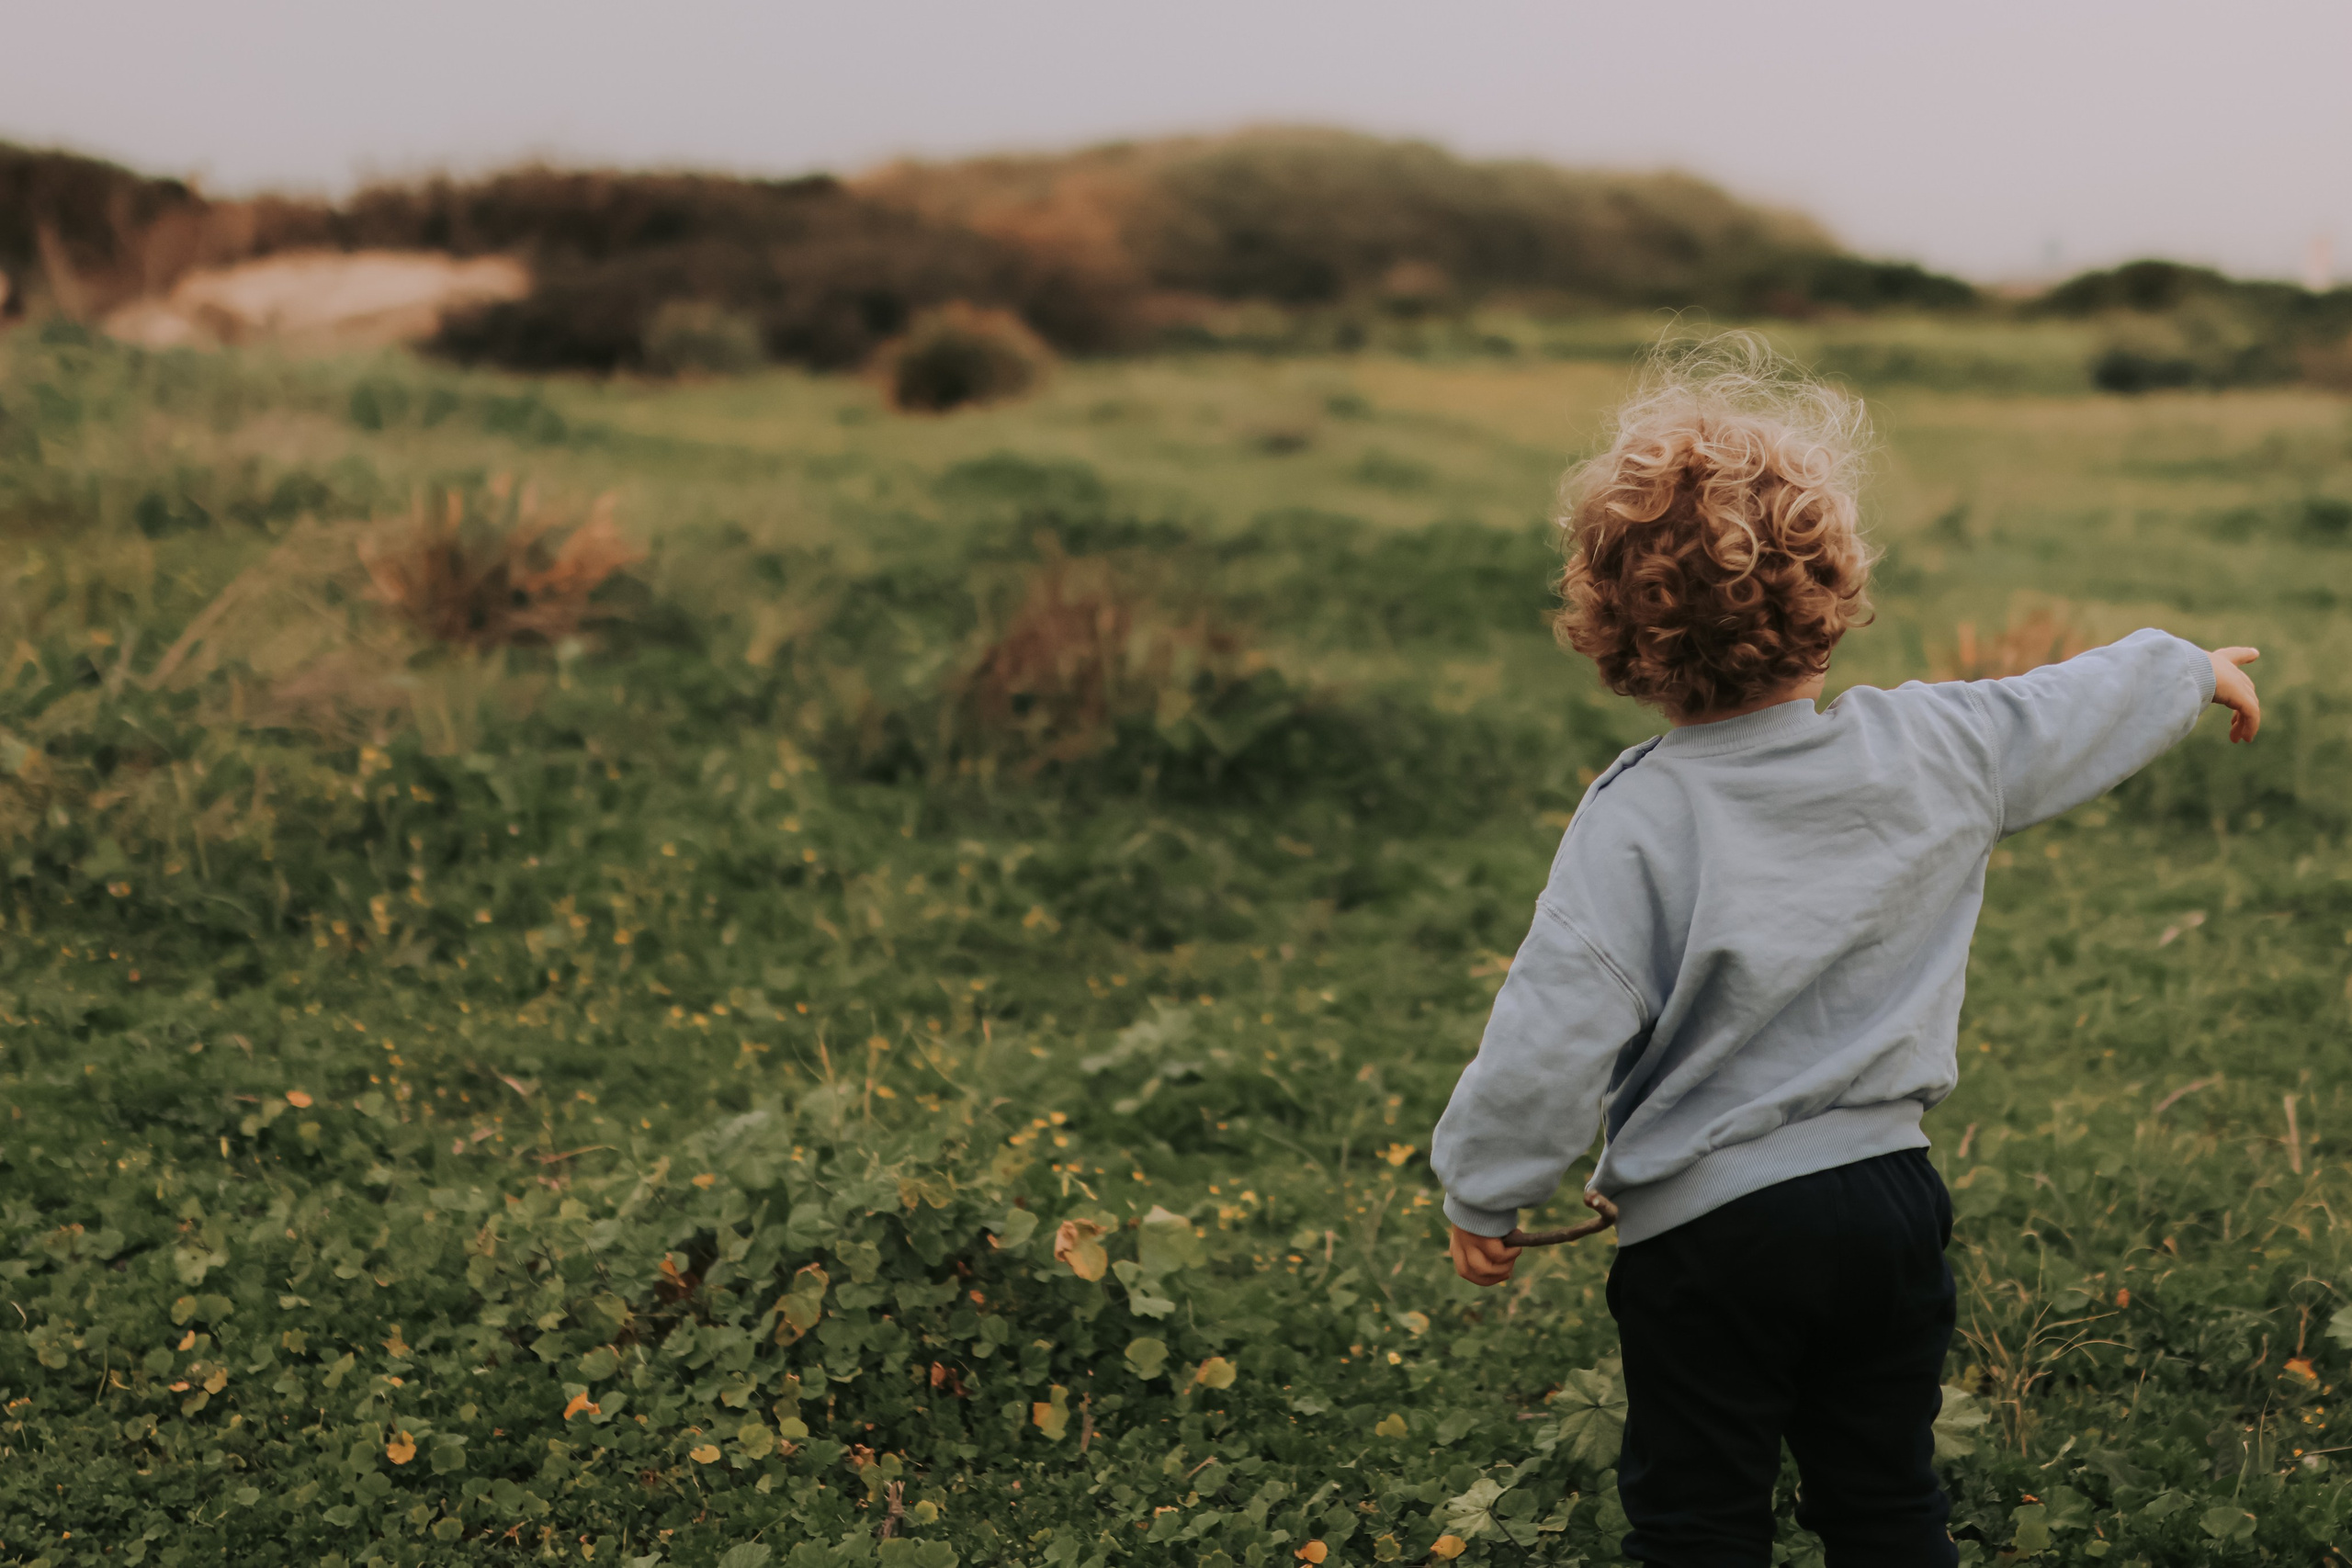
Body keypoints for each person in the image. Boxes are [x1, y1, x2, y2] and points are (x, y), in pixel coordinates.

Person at [1428, 336, 2261, 1567]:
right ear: (1831, 596)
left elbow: (1556, 1022)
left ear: (1616, 632)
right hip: (1886, 1206)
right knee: (1883, 1493)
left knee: (1699, 1511)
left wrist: (1486, 1184)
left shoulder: (1638, 814)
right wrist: (2188, 673)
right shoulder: (1936, 746)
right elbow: (2063, 707)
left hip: (1710, 1241)